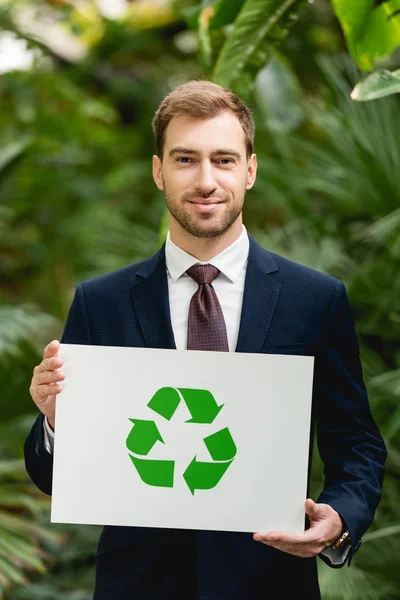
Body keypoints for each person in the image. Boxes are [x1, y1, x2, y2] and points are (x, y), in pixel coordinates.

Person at [24, 80, 387, 599]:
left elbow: (355, 443)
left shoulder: (315, 300)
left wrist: (340, 516)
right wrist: (57, 422)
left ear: (250, 169)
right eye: (185, 159)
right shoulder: (100, 303)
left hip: (270, 583)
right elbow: (57, 479)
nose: (205, 179)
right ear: (158, 172)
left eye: (223, 159)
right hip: (138, 587)